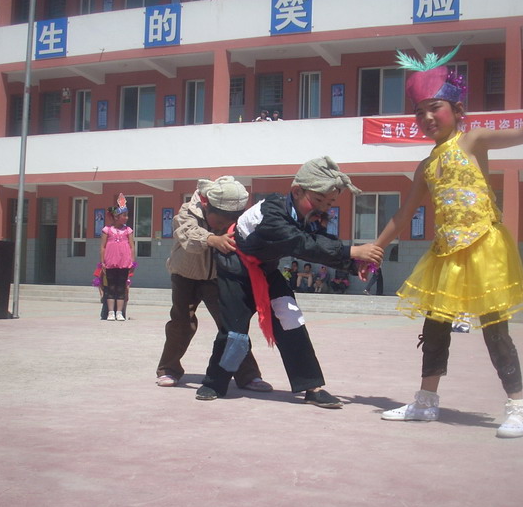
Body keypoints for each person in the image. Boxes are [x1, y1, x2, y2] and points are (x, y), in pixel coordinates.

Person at [369, 45, 523, 438]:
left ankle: (519, 408)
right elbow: (403, 215)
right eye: (419, 112)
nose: (426, 117)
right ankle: (426, 402)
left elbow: (522, 134)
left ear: (457, 110)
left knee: (494, 329)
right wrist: (376, 247)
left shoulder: (473, 141)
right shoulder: (425, 166)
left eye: (434, 108)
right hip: (446, 256)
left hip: (484, 248)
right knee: (434, 328)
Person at [195, 156, 383, 407]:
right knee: (234, 333)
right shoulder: (272, 212)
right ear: (297, 191)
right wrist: (352, 251)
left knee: (291, 319)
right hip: (236, 269)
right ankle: (214, 383)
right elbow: (300, 243)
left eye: (329, 203)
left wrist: (353, 265)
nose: (323, 207)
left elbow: (320, 242)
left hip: (267, 270)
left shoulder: (309, 216)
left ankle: (312, 387)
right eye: (318, 200)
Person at [155, 177, 273, 394]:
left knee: (232, 326)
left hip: (219, 277)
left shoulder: (238, 216)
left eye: (228, 223)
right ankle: (168, 369)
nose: (222, 227)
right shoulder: (188, 210)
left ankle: (248, 375)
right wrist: (212, 239)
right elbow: (186, 233)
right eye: (219, 222)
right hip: (185, 275)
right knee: (181, 323)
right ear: (207, 205)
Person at [100, 193, 136, 321]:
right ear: (116, 217)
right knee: (111, 287)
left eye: (127, 215)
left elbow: (132, 246)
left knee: (121, 287)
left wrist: (132, 262)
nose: (126, 218)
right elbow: (103, 247)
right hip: (110, 263)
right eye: (124, 215)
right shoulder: (107, 230)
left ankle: (119, 312)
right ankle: (111, 312)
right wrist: (102, 262)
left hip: (124, 264)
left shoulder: (128, 230)